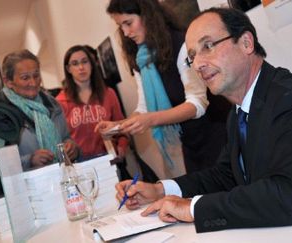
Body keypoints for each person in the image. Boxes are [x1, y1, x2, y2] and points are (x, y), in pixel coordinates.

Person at [114, 7, 292, 233]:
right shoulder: (239, 112)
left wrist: (191, 208)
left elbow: (289, 198)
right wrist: (160, 189)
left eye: (208, 46)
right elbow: (226, 175)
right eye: (192, 56)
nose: (198, 64)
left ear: (246, 43)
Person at [99, 0, 231, 173]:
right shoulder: (139, 59)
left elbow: (197, 104)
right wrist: (118, 126)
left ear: (147, 15)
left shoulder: (181, 44)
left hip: (219, 134)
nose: (125, 32)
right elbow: (143, 108)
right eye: (120, 26)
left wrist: (151, 120)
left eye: (128, 23)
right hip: (191, 143)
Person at [0, 49, 79, 170]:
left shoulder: (52, 105)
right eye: (25, 78)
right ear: (8, 82)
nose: (33, 82)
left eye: (36, 75)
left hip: (63, 177)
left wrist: (72, 148)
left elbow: (66, 137)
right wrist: (30, 160)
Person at [56, 45, 130, 178]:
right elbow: (59, 140)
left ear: (92, 63)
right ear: (68, 69)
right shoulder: (60, 102)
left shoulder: (108, 94)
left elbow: (121, 128)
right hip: (79, 167)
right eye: (75, 63)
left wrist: (122, 146)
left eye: (85, 61)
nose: (81, 67)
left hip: (109, 163)